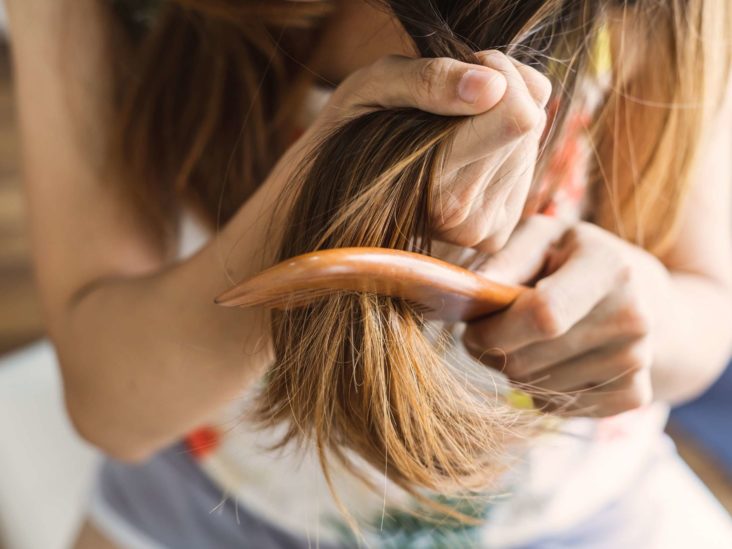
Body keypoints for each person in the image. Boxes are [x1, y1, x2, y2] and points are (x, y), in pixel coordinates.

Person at [5, 0, 732, 547]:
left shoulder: (659, 13)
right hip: (201, 514)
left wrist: (648, 316)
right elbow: (111, 407)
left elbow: (707, 312)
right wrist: (316, 196)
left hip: (571, 519)